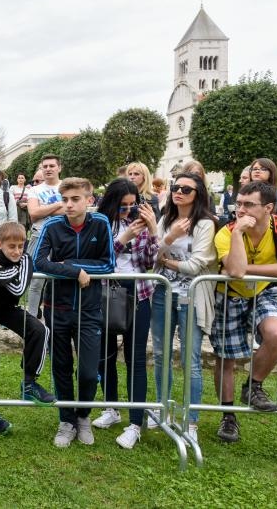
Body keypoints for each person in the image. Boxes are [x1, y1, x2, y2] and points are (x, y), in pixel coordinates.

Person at [211, 181, 277, 443]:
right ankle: (228, 417)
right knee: (226, 357)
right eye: (238, 203)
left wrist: (244, 268)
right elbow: (235, 272)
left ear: (268, 208)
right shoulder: (226, 232)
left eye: (249, 204)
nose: (240, 209)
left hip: (263, 291)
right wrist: (238, 233)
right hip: (229, 294)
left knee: (276, 334)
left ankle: (253, 386)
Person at [34, 177, 115, 448]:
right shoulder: (52, 225)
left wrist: (69, 264)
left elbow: (108, 264)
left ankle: (83, 416)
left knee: (89, 372)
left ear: (89, 200)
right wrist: (75, 271)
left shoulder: (100, 223)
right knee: (61, 367)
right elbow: (39, 262)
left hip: (89, 309)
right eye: (65, 199)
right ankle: (66, 420)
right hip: (56, 308)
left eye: (75, 199)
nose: (69, 205)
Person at [90, 179, 158, 449]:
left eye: (132, 205)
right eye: (123, 206)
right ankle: (111, 408)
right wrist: (123, 238)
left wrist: (152, 229)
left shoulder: (140, 222)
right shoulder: (99, 222)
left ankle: (135, 423)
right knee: (104, 355)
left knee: (135, 358)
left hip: (137, 293)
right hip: (105, 292)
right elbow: (98, 259)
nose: (128, 211)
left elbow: (151, 262)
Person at [149, 173, 217, 443]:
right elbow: (151, 256)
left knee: (191, 360)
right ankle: (162, 409)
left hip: (192, 296)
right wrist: (171, 237)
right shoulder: (166, 219)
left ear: (198, 194)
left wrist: (167, 261)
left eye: (186, 189)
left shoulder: (205, 224)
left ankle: (191, 420)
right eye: (175, 187)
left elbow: (194, 265)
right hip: (162, 294)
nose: (178, 192)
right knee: (161, 355)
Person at [0, 221, 55, 434]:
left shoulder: (26, 259)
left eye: (20, 246)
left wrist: (2, 274)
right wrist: (12, 272)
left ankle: (29, 382)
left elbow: (17, 288)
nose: (17, 251)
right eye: (11, 246)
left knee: (40, 330)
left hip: (8, 308)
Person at [26, 155, 64, 317]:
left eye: (52, 166)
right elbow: (33, 213)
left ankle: (57, 319)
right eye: (45, 166)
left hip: (63, 238)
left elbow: (71, 211)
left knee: (61, 279)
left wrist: (44, 209)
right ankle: (32, 319)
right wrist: (59, 204)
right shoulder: (35, 190)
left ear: (59, 168)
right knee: (36, 281)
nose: (48, 169)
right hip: (40, 237)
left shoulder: (67, 187)